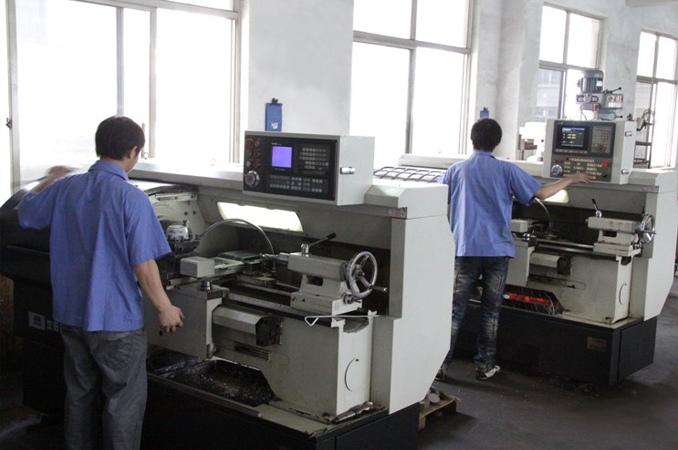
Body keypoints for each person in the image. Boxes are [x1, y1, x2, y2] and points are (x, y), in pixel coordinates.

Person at [18, 116, 185, 449]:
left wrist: (49, 179)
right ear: (133, 151)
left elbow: (26, 212)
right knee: (123, 402)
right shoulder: (131, 197)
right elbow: (143, 263)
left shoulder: (65, 187)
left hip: (71, 316)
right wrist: (164, 306)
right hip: (115, 323)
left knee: (79, 394)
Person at [437, 118, 590, 381]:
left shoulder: (456, 170)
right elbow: (541, 194)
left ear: (472, 139)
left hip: (465, 249)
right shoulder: (506, 170)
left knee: (454, 310)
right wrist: (571, 178)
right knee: (490, 311)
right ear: (497, 143)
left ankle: (439, 366)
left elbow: (436, 198)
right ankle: (485, 366)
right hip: (497, 251)